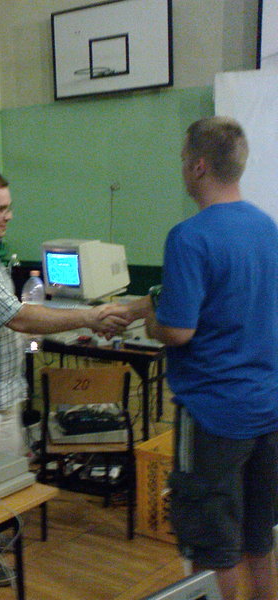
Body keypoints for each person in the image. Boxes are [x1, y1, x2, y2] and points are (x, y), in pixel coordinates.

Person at [0, 168, 126, 586]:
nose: (9, 215)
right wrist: (90, 316)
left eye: (9, 207)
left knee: (0, 481)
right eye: (0, 208)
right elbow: (18, 317)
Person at [116, 117, 278, 600]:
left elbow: (178, 330)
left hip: (213, 417)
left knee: (213, 550)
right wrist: (148, 304)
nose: (183, 167)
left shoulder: (188, 237)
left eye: (184, 158)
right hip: (269, 411)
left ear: (200, 166)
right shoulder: (267, 228)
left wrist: (150, 322)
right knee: (259, 539)